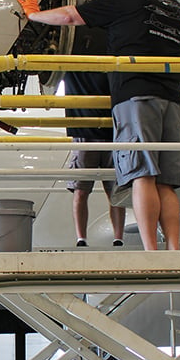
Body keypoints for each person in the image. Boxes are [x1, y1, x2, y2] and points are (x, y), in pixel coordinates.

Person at [17, 0, 180, 250]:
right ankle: (174, 249)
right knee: (166, 183)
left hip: (137, 93)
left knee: (142, 174)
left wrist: (34, 15)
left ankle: (151, 253)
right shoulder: (174, 8)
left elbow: (71, 16)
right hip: (173, 97)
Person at [61, 31, 126, 247]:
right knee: (106, 190)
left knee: (88, 190)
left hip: (94, 132)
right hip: (103, 133)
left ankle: (94, 238)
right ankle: (101, 238)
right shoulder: (113, 57)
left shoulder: (71, 60)